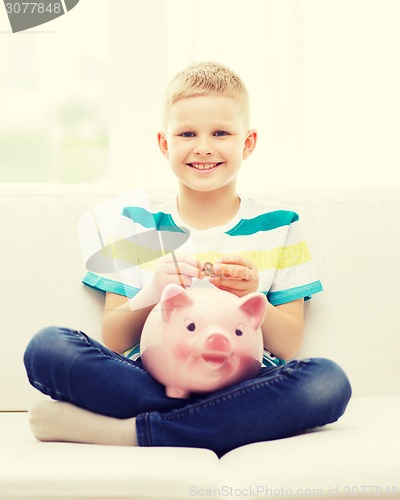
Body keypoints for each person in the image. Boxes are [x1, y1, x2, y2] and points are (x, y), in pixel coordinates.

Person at [23, 62, 351, 457]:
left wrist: (255, 299)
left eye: (221, 133)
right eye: (187, 134)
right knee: (47, 347)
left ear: (247, 143)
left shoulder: (281, 226)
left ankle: (131, 433)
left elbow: (288, 345)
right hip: (149, 377)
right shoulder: (136, 225)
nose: (203, 146)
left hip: (243, 380)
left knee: (327, 382)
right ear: (164, 144)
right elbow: (114, 338)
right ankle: (223, 422)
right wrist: (153, 291)